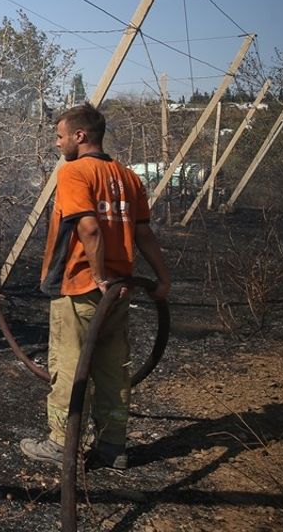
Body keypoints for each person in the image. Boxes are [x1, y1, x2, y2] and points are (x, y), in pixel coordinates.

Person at [20, 103, 172, 470]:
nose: (57, 144)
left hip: (82, 286)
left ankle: (61, 444)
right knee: (112, 369)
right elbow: (143, 233)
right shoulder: (127, 176)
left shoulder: (74, 173)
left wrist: (99, 274)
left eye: (59, 136)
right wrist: (163, 278)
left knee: (70, 366)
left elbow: (87, 227)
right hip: (120, 289)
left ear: (79, 136)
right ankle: (113, 447)